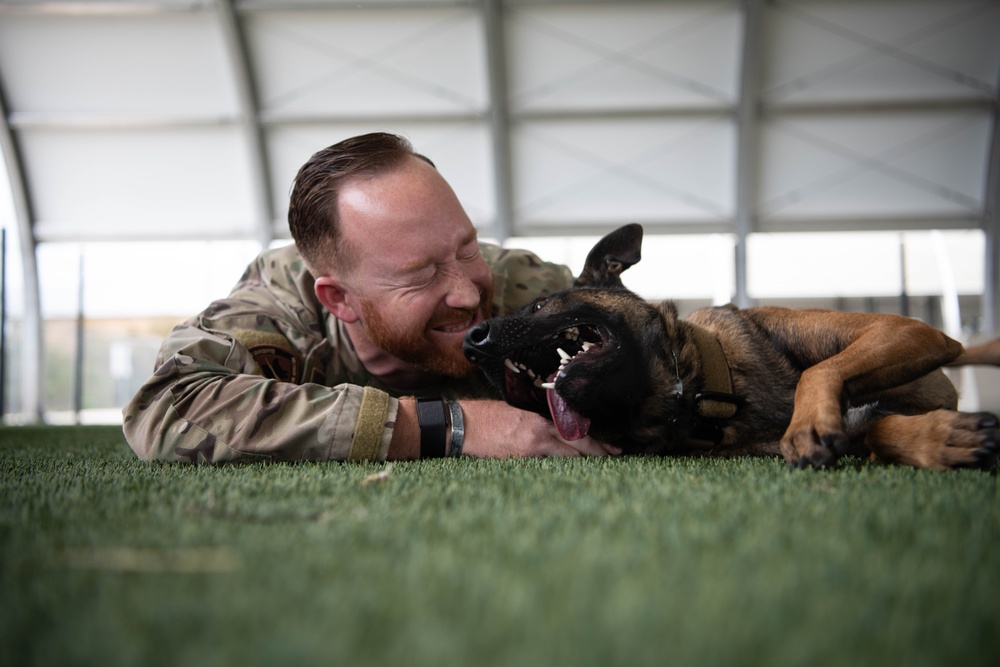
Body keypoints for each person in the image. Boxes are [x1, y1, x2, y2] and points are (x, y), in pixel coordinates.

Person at [123, 132, 617, 464]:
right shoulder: (280, 306)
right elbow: (168, 404)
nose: (468, 292)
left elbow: (665, 357)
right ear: (339, 299)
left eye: (467, 248)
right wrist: (447, 425)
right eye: (420, 275)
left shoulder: (531, 289)